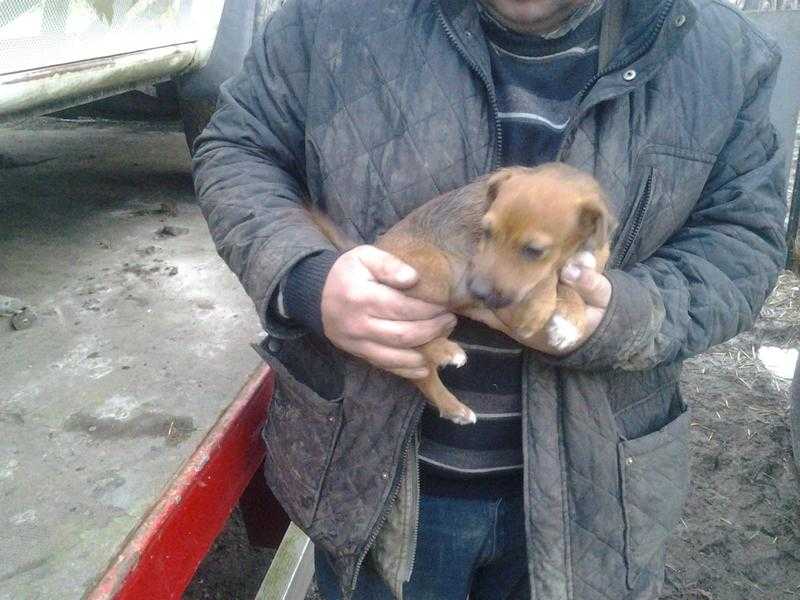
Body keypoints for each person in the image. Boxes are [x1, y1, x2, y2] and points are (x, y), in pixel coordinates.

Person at [191, 0, 787, 596]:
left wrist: (629, 316)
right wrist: (305, 278)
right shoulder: (329, 16)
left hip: (600, 505)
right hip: (375, 486)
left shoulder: (721, 53)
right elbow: (237, 150)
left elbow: (742, 241)